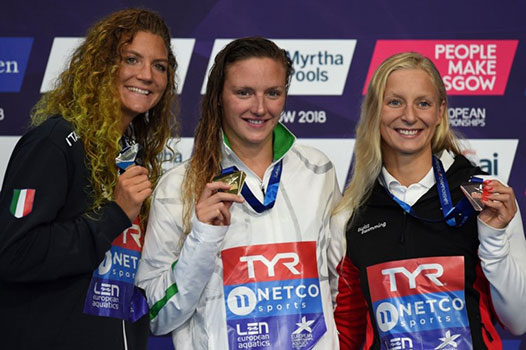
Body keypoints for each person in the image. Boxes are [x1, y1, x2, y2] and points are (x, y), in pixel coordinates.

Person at [135, 37, 343, 349]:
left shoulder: (318, 171)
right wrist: (202, 238)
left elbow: (341, 285)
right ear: (219, 96)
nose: (260, 108)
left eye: (272, 93)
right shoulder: (177, 187)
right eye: (243, 93)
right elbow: (153, 316)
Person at [0, 8, 178, 350]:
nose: (147, 75)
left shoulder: (129, 153)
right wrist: (113, 215)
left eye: (160, 66)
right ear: (101, 66)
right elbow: (14, 253)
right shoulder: (55, 141)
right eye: (132, 59)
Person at [333, 52, 526, 350]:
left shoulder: (482, 193)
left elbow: (519, 320)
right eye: (395, 102)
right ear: (375, 111)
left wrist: (494, 239)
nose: (410, 116)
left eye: (423, 103)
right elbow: (347, 333)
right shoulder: (350, 215)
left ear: (439, 112)